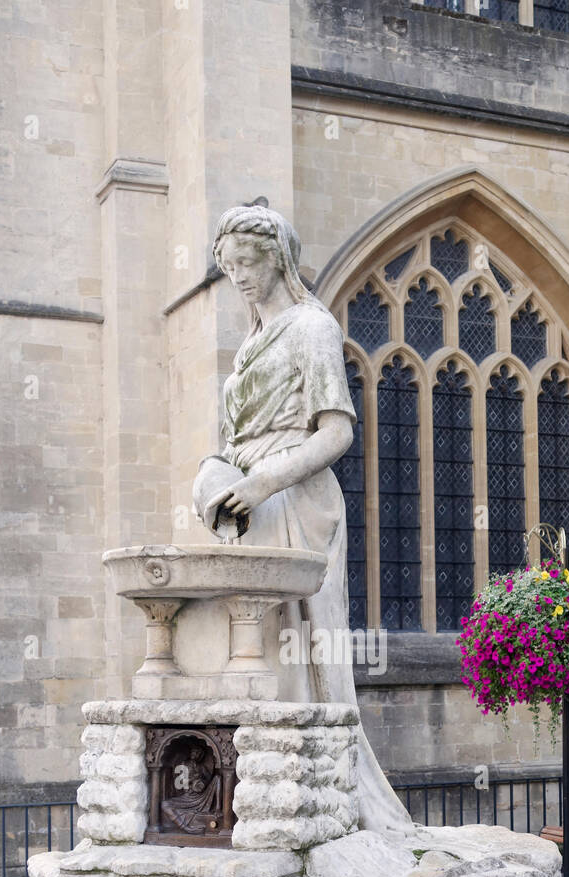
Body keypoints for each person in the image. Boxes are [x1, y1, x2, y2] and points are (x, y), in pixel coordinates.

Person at [193, 204, 411, 833]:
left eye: (249, 262)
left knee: (300, 644)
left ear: (278, 259)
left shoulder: (311, 328)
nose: (238, 276)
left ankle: (316, 793)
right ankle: (248, 797)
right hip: (245, 498)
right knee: (249, 644)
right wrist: (217, 476)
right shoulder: (250, 344)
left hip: (294, 498)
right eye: (228, 265)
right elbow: (233, 435)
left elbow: (336, 432)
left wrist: (267, 479)